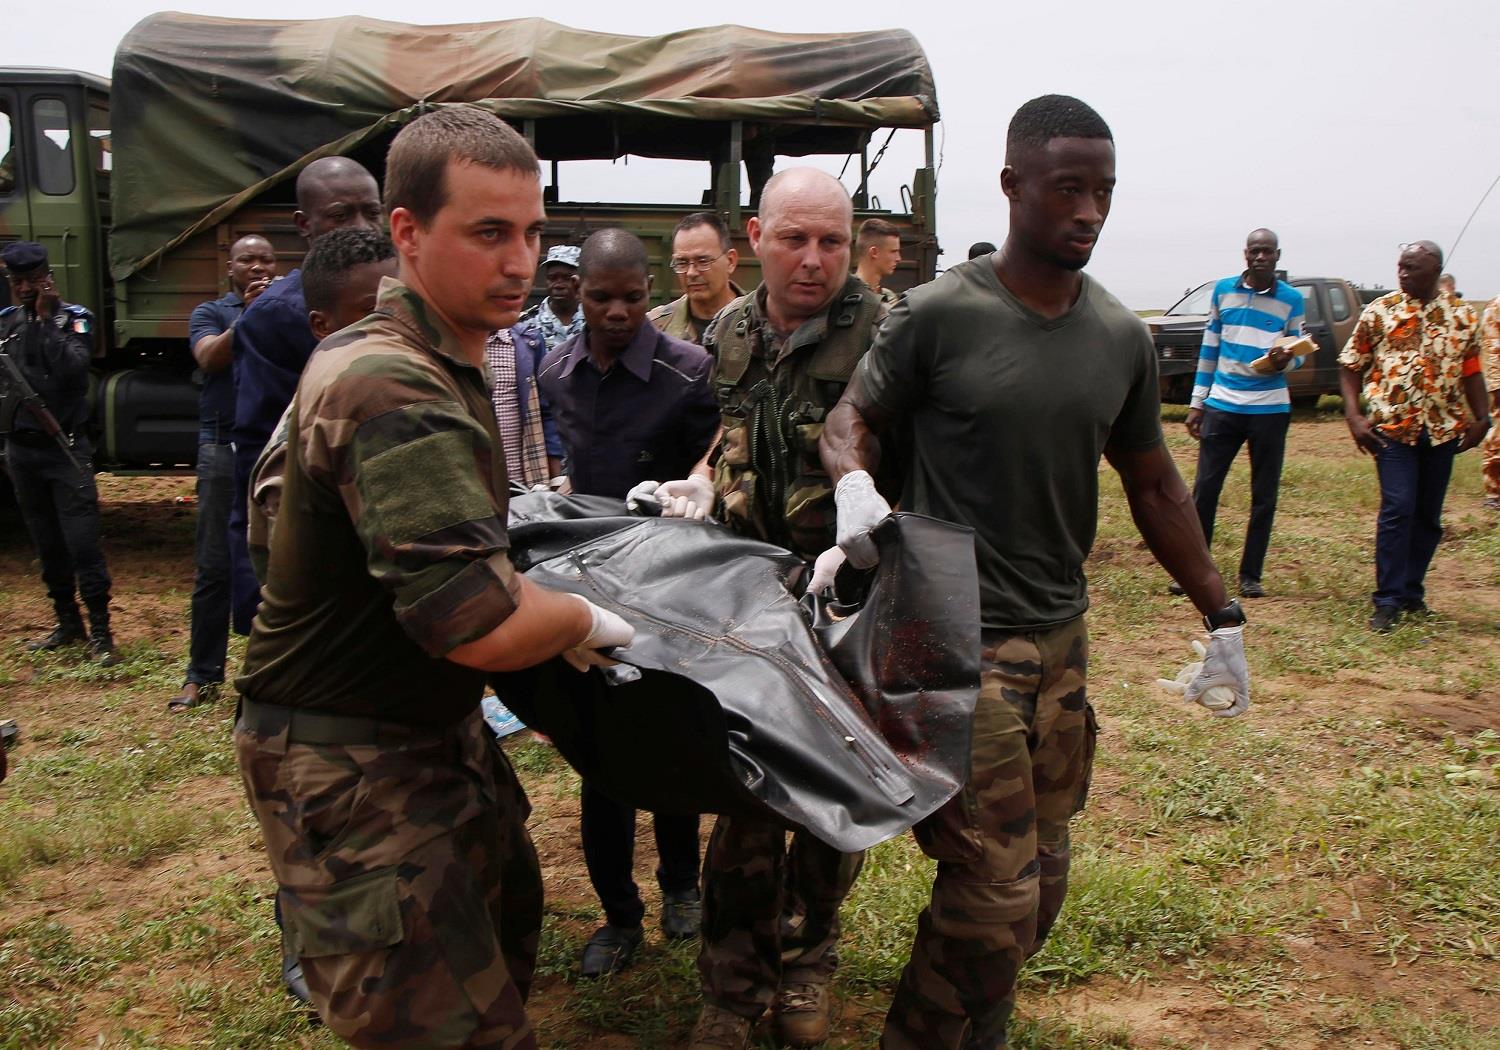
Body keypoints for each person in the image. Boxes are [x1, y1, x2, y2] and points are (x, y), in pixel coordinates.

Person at [819, 94, 1252, 1050]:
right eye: (1067, 189)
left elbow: (1154, 482)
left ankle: (980, 1020)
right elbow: (852, 417)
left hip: (1061, 643)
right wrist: (854, 485)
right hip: (954, 645)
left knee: (1043, 877)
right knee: (992, 893)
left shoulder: (1119, 336)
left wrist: (1221, 612)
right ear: (1013, 186)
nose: (1089, 211)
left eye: (1104, 191)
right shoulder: (940, 316)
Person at [234, 106, 634, 1050]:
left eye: (531, 233)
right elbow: (477, 624)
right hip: (352, 755)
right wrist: (585, 617)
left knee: (502, 921)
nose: (520, 262)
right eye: (489, 233)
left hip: (419, 727)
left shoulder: (422, 354)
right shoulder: (392, 383)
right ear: (407, 232)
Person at [636, 167, 889, 1050]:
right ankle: (734, 991)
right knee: (746, 800)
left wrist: (873, 530)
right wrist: (701, 480)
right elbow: (731, 427)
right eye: (794, 240)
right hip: (748, 601)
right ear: (755, 238)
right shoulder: (732, 330)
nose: (814, 260)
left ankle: (809, 961)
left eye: (832, 242)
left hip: (847, 603)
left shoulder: (887, 332)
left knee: (833, 801)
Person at [535, 227, 719, 977]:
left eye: (633, 298)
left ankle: (682, 887)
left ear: (651, 293)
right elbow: (568, 468)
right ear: (578, 293)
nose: (617, 312)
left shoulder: (689, 371)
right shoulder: (555, 371)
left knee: (672, 740)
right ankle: (618, 915)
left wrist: (697, 485)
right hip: (590, 591)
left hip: (671, 585)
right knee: (601, 756)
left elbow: (712, 459)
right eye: (601, 297)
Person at [229, 156, 382, 635]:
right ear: (304, 225)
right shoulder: (276, 317)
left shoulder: (405, 298)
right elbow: (262, 456)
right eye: (340, 215)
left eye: (371, 212)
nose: (361, 228)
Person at [1338, 241, 1489, 632]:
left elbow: (1472, 371)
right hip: (1393, 429)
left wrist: (1482, 418)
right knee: (1398, 508)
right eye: (1400, 267)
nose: (1402, 274)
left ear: (1435, 271)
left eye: (1412, 268)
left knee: (1427, 517)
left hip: (1442, 431)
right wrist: (1354, 416)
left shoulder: (1462, 316)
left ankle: (1411, 592)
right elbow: (1351, 364)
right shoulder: (1380, 311)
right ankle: (1387, 600)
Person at [244, 227, 397, 579]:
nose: (398, 321)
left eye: (403, 303)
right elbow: (296, 573)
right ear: (322, 325)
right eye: (373, 311)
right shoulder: (310, 431)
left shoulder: (396, 396)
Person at [169, 234, 277, 712]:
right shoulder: (211, 313)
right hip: (222, 447)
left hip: (273, 447)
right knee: (214, 564)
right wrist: (250, 316)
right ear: (230, 268)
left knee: (278, 564)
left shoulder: (288, 311)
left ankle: (270, 673)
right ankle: (201, 674)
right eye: (247, 260)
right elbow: (210, 357)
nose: (258, 267)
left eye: (266, 259)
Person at [0, 242, 117, 665]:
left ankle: (101, 632)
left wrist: (48, 320)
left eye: (32, 281)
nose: (24, 289)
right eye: (17, 282)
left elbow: (73, 371)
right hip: (21, 452)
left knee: (81, 543)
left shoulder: (74, 319)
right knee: (46, 543)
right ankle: (68, 623)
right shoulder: (6, 323)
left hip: (64, 450)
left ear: (48, 279)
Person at [1177, 229, 1306, 599]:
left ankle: (1251, 575)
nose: (1260, 257)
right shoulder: (1223, 291)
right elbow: (1210, 348)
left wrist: (1285, 360)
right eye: (1254, 250)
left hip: (1270, 408)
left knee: (1264, 495)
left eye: (1267, 251)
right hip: (1222, 405)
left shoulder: (1292, 299)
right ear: (1245, 254)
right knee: (1205, 489)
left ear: (1278, 256)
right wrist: (1197, 403)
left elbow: (1298, 351)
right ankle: (1194, 572)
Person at [646, 211, 744, 344]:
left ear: (730, 261)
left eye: (703, 261)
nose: (691, 273)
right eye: (682, 262)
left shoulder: (759, 322)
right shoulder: (654, 329)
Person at [514, 244, 583, 352]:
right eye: (552, 278)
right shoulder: (526, 324)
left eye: (566, 278)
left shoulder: (593, 321)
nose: (558, 285)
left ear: (579, 280)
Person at [1479, 295, 1500, 510]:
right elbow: (1492, 348)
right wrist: (1496, 385)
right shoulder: (1496, 307)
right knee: (1498, 438)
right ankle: (1494, 492)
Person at [854, 218, 903, 303]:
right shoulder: (843, 296)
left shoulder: (889, 298)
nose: (898, 258)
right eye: (893, 251)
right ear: (874, 252)